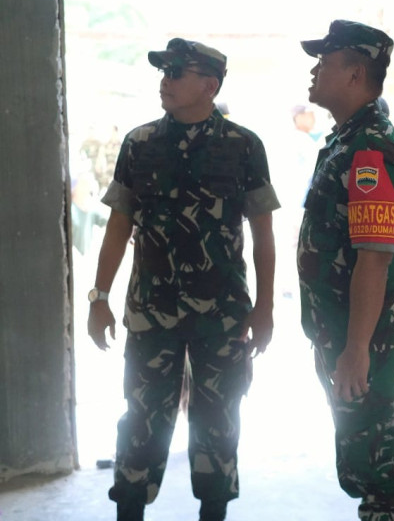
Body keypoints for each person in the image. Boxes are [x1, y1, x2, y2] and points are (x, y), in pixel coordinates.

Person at [87, 37, 280, 521]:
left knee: (218, 422)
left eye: (177, 72)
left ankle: (213, 512)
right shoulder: (140, 143)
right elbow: (118, 225)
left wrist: (266, 308)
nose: (165, 81)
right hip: (152, 312)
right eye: (164, 72)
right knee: (141, 422)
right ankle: (129, 510)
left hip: (223, 315)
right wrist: (99, 295)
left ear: (210, 85)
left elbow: (264, 236)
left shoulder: (244, 147)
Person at [297, 20, 394, 521]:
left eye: (324, 62)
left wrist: (356, 349)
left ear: (355, 74)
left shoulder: (370, 150)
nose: (314, 69)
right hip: (345, 331)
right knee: (361, 463)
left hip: (368, 337)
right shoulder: (347, 140)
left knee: (378, 470)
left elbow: (374, 256)